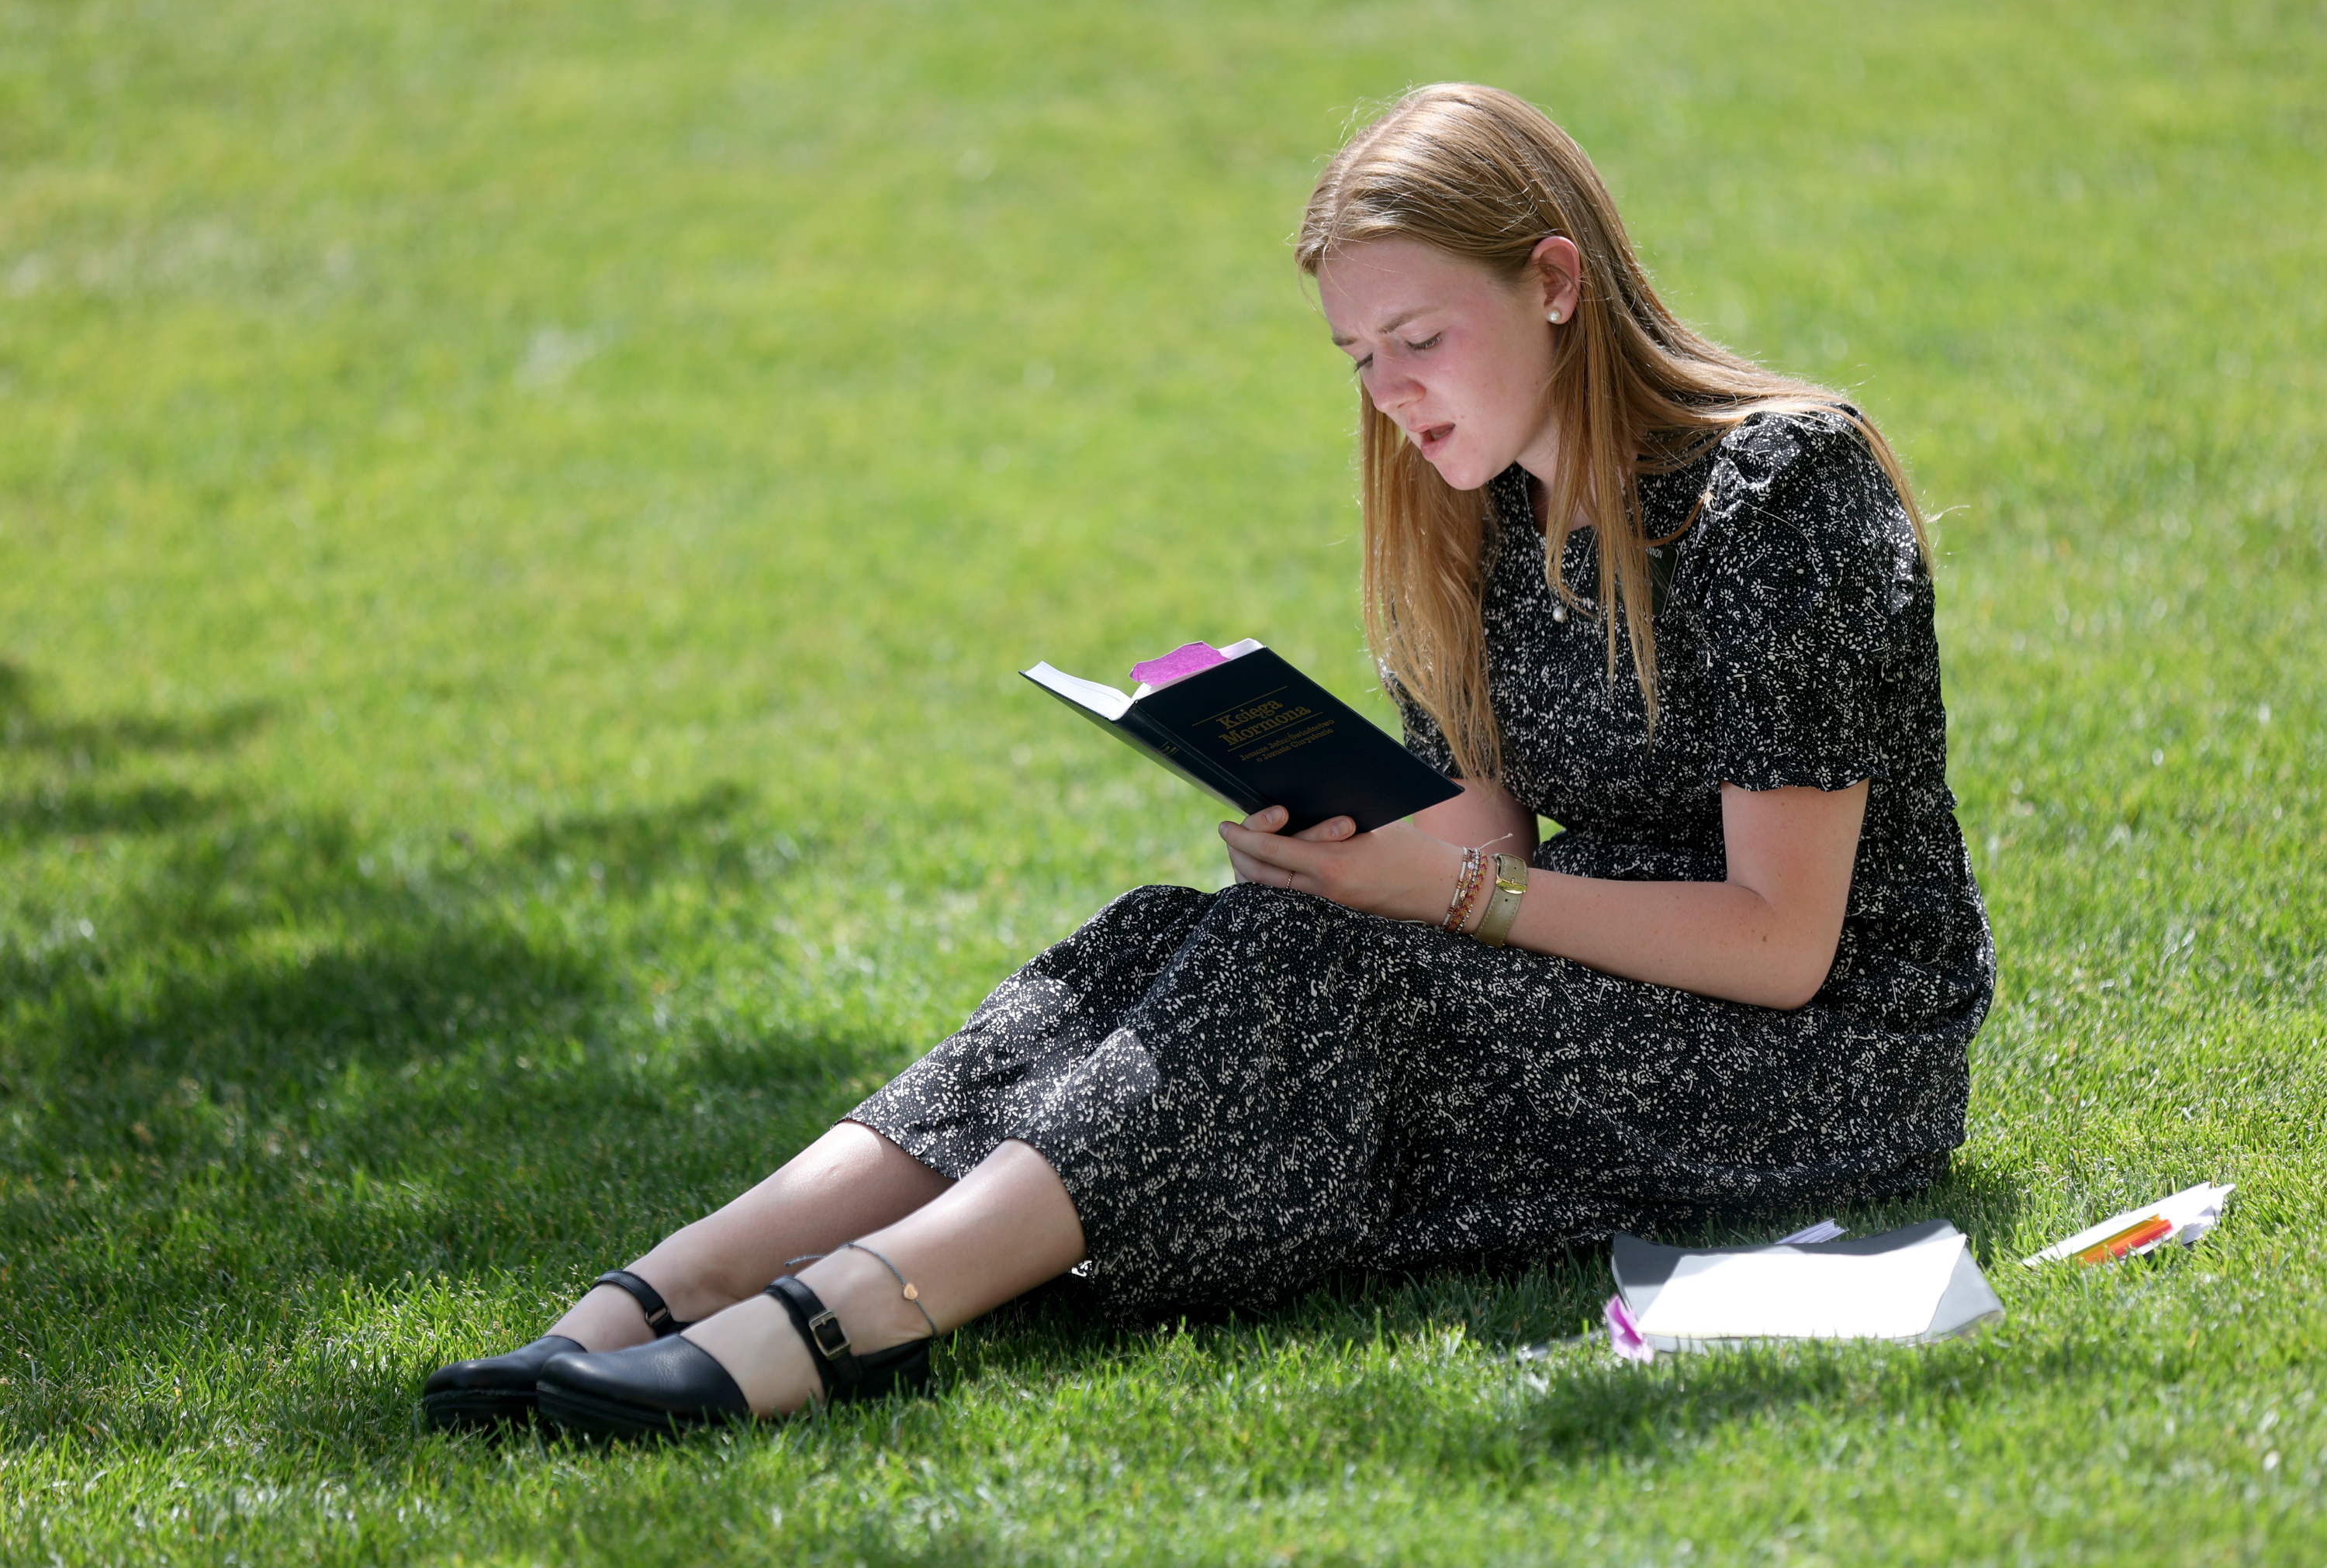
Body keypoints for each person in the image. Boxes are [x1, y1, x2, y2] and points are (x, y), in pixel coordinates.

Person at [422, 82, 1993, 1438]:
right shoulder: (1475, 519)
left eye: (1420, 338)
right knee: (1162, 935)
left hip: (1825, 1067)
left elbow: (1783, 946)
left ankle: (848, 1320)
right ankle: (655, 1295)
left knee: (1325, 959)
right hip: (1637, 1003)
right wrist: (1341, 826)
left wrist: (1429, 890)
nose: (1387, 391)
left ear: (1557, 282)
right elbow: (1494, 851)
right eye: (1356, 354)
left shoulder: (1783, 493)